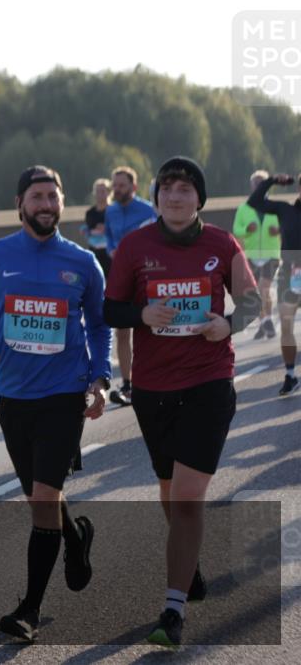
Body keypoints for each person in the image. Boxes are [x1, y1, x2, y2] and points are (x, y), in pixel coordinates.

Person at [104, 157, 260, 647]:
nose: (176, 196)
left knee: (188, 495)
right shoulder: (134, 247)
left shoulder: (221, 244)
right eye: (167, 189)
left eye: (186, 189)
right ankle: (187, 566)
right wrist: (142, 312)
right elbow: (110, 309)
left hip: (209, 382)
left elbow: (253, 301)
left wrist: (228, 325)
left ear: (200, 199)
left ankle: (172, 610)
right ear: (156, 197)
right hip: (153, 389)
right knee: (171, 492)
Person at [0, 166, 109, 642]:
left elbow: (100, 326)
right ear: (20, 204)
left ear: (63, 204)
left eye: (53, 197)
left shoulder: (83, 262)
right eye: (37, 197)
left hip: (64, 395)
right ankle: (75, 537)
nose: (45, 205)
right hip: (13, 398)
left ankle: (29, 611)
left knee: (43, 498)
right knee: (41, 497)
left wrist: (100, 379)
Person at [105, 166, 157, 406]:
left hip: (145, 277)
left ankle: (150, 380)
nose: (117, 190)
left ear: (133, 187)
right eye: (114, 185)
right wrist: (112, 249)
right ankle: (127, 384)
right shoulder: (111, 211)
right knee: (121, 331)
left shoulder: (149, 209)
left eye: (122, 185)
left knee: (147, 329)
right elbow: (108, 239)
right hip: (120, 276)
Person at [246, 171, 301, 395]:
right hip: (290, 277)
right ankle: (290, 374)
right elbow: (255, 201)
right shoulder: (285, 210)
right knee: (286, 327)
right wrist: (272, 181)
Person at [233, 170, 281, 340]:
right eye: (256, 183)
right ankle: (264, 322)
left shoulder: (276, 206)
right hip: (251, 255)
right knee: (256, 292)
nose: (259, 186)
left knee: (264, 288)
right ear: (252, 186)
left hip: (272, 253)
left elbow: (288, 225)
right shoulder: (244, 208)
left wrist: (279, 230)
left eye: (263, 183)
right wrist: (247, 230)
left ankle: (266, 320)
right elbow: (236, 229)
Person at [82, 178, 112, 276]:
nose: (100, 194)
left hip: (111, 255)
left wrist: (106, 229)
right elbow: (88, 231)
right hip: (94, 253)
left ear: (108, 192)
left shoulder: (114, 211)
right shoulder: (90, 213)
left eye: (103, 191)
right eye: (97, 191)